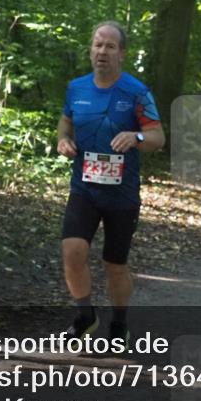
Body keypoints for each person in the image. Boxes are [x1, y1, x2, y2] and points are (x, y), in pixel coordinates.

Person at [57, 21, 165, 343]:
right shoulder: (76, 88)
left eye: (110, 46)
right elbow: (65, 122)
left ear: (122, 54)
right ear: (90, 49)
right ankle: (85, 316)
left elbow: (158, 137)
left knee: (114, 264)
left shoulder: (137, 92)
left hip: (122, 194)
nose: (102, 51)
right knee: (72, 251)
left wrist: (137, 136)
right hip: (84, 188)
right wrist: (63, 140)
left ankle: (119, 322)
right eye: (97, 44)